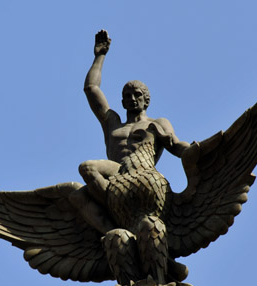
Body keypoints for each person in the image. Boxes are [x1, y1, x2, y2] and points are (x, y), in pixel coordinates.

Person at [70, 30, 190, 234]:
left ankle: (117, 203)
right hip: (116, 174)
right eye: (127, 95)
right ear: (122, 101)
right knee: (83, 177)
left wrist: (200, 151)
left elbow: (176, 145)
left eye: (137, 95)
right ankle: (114, 224)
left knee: (88, 169)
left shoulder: (157, 123)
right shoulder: (112, 123)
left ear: (146, 100)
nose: (132, 99)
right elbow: (91, 89)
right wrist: (99, 56)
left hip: (142, 175)